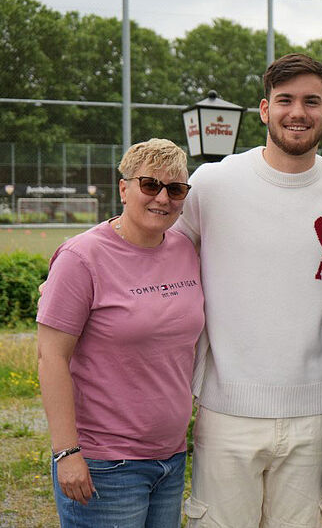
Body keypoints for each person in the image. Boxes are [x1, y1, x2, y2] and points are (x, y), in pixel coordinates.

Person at [177, 53, 322, 528]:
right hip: (226, 411)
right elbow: (157, 252)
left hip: (315, 414)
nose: (297, 112)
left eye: (311, 101)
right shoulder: (213, 184)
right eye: (284, 100)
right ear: (264, 110)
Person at [36, 138, 205, 528]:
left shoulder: (184, 248)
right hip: (105, 464)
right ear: (123, 188)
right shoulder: (81, 258)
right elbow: (51, 357)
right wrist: (66, 452)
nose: (162, 198)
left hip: (171, 457)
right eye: (150, 185)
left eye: (175, 189)